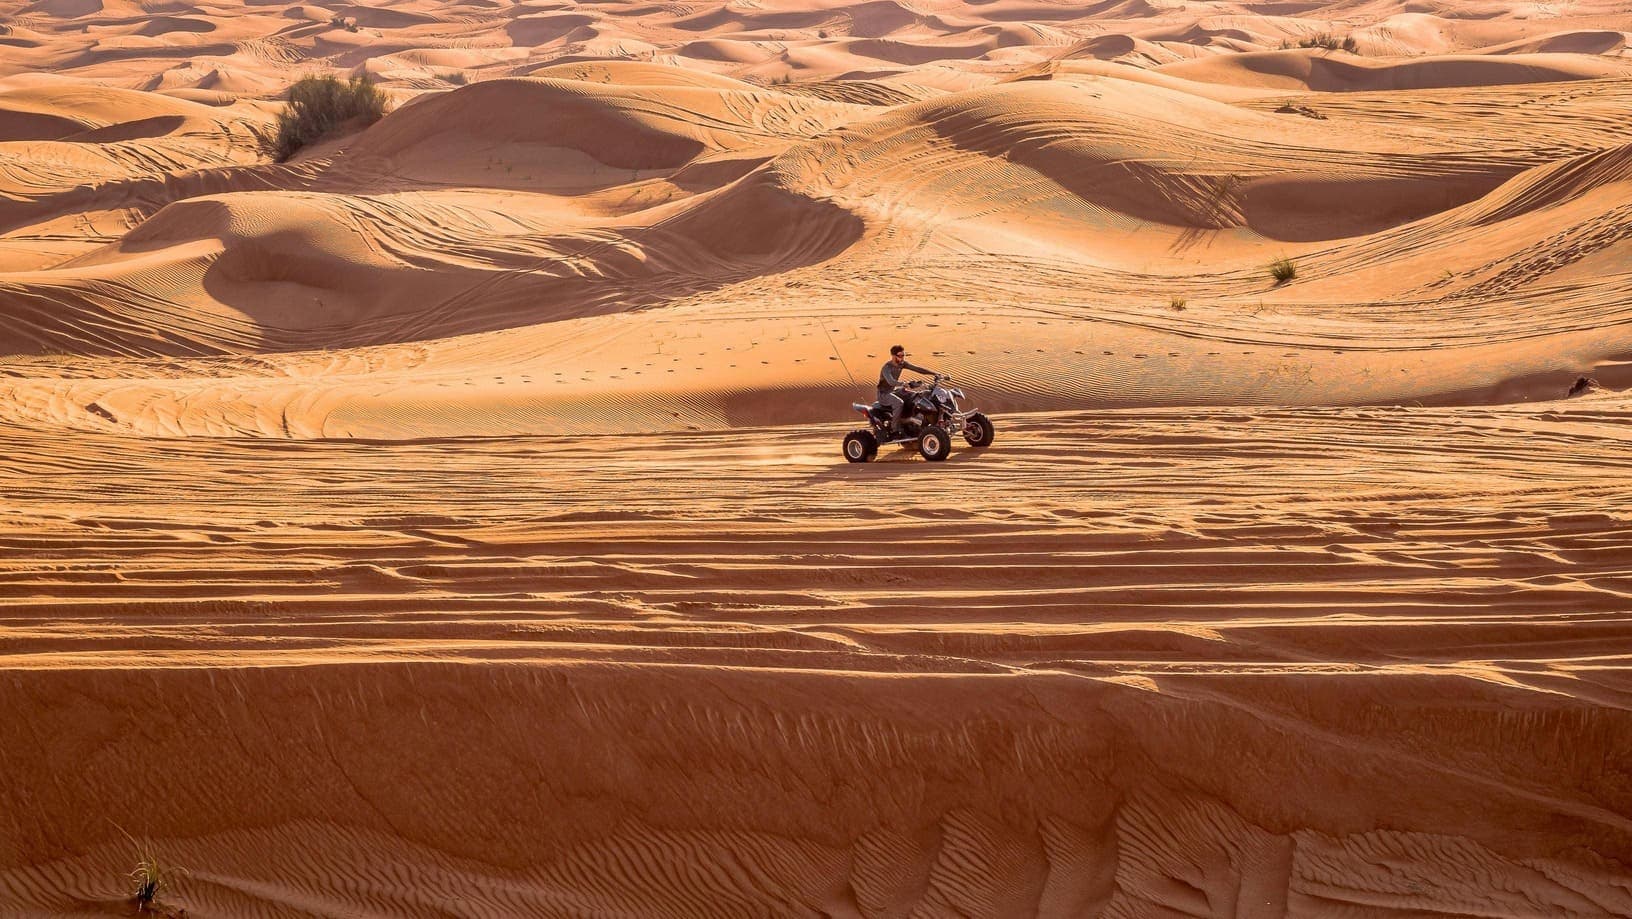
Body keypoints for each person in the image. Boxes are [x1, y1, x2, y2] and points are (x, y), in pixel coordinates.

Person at [877, 344, 936, 436]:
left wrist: (935, 373)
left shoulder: (902, 364)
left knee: (915, 396)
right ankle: (894, 429)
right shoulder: (886, 368)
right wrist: (902, 384)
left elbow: (918, 369)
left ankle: (912, 422)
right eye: (900, 356)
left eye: (903, 355)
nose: (902, 358)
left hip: (893, 391)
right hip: (883, 394)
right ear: (893, 356)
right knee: (899, 403)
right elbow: (891, 381)